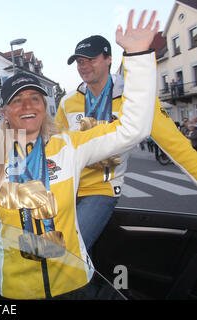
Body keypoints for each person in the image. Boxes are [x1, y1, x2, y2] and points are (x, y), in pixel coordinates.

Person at [0, 10, 159, 299]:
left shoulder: (69, 146)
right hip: (16, 290)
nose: (27, 105)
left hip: (74, 281)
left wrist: (139, 56)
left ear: (44, 106)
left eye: (35, 97)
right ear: (4, 112)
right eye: (17, 100)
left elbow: (133, 129)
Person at [56, 25, 197, 253]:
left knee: (69, 249)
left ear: (109, 59)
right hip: (66, 187)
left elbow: (178, 147)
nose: (84, 66)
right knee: (50, 250)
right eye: (80, 62)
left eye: (91, 59)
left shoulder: (135, 100)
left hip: (100, 190)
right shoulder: (68, 101)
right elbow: (55, 145)